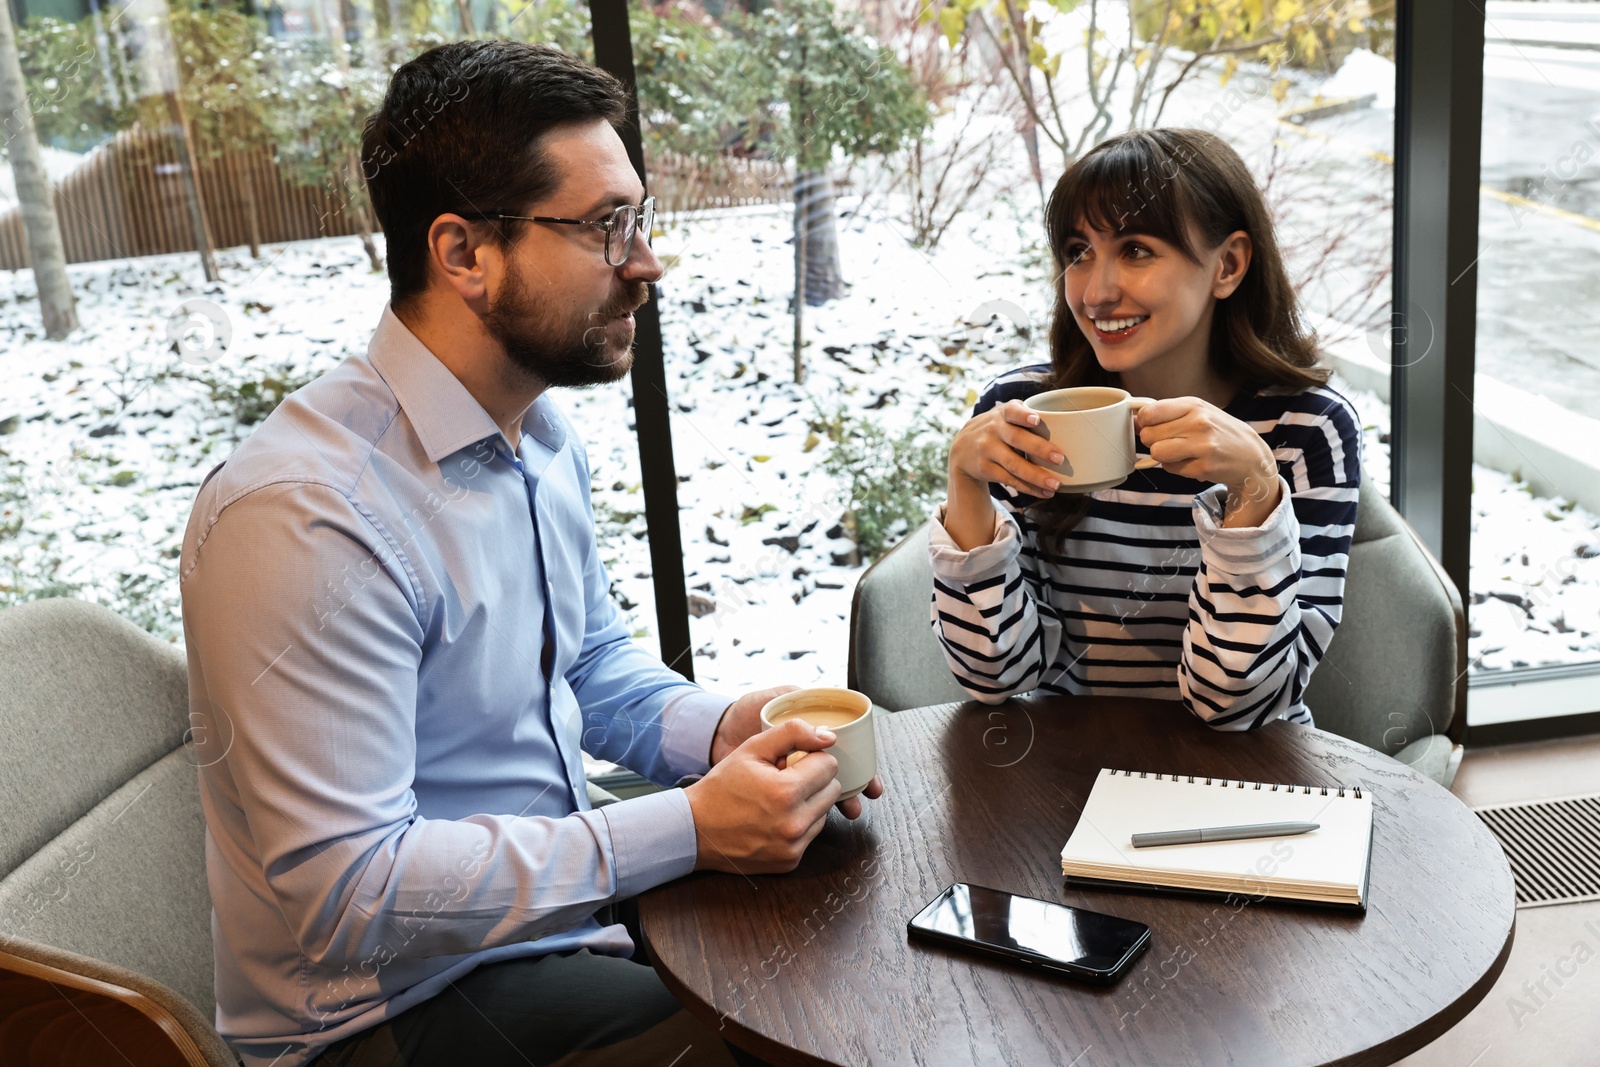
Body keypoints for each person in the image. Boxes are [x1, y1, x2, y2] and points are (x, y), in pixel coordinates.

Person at [179, 40, 880, 1067]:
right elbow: (350, 896)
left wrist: (724, 727)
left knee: (840, 943)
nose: (646, 262)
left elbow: (588, 665)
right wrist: (686, 827)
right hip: (390, 1010)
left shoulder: (535, 433)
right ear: (462, 253)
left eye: (638, 218)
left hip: (556, 922)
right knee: (797, 1045)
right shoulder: (303, 517)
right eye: (606, 227)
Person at [931, 128, 1361, 729]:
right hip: (1061, 773)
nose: (1097, 292)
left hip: (1249, 779)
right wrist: (965, 485)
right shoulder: (1023, 415)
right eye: (1080, 252)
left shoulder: (1306, 427)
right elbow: (994, 676)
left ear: (1228, 266)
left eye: (1135, 250)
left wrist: (1256, 489)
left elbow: (1236, 704)